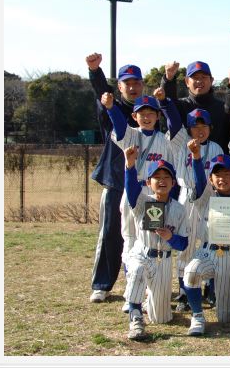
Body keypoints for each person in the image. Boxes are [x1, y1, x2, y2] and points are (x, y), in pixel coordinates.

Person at [102, 92, 173, 312]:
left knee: (150, 241)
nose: (147, 117)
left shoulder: (163, 140)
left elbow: (169, 171)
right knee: (130, 240)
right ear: (134, 116)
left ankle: (149, 293)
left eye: (151, 113)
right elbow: (119, 128)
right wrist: (112, 108)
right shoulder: (131, 135)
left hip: (153, 195)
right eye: (142, 113)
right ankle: (130, 294)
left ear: (157, 116)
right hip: (133, 190)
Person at [85, 53, 145, 304]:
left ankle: (139, 281)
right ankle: (102, 284)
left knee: (143, 235)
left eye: (136, 82)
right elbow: (102, 93)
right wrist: (95, 72)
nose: (132, 87)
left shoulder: (148, 109)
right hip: (115, 181)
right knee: (110, 233)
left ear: (142, 85)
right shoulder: (113, 108)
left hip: (143, 184)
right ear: (119, 86)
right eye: (127, 83)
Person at [157, 88, 224, 311]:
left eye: (204, 126)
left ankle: (210, 287)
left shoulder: (215, 147)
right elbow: (173, 122)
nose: (200, 130)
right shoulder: (181, 144)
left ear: (210, 128)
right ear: (188, 129)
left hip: (210, 197)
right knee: (186, 243)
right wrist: (164, 102)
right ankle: (185, 291)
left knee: (211, 241)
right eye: (195, 126)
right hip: (187, 196)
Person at [182, 144, 230, 335]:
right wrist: (196, 156)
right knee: (191, 271)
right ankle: (197, 315)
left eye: (227, 174)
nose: (222, 178)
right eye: (218, 175)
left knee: (227, 317)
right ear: (211, 179)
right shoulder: (205, 199)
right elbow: (199, 181)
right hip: (207, 251)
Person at [122, 150, 188, 340]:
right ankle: (135, 317)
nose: (162, 180)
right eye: (156, 177)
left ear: (173, 183)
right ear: (149, 183)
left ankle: (149, 302)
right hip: (142, 252)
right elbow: (131, 189)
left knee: (161, 318)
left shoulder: (179, 209)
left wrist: (171, 237)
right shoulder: (142, 201)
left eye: (166, 177)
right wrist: (130, 165)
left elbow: (183, 244)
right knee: (137, 270)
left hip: (164, 260)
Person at [161, 61, 230, 154]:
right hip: (186, 166)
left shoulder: (222, 108)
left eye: (204, 77)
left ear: (211, 81)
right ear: (187, 81)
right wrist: (168, 79)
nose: (199, 81)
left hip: (218, 166)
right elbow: (168, 106)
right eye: (195, 77)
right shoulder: (181, 106)